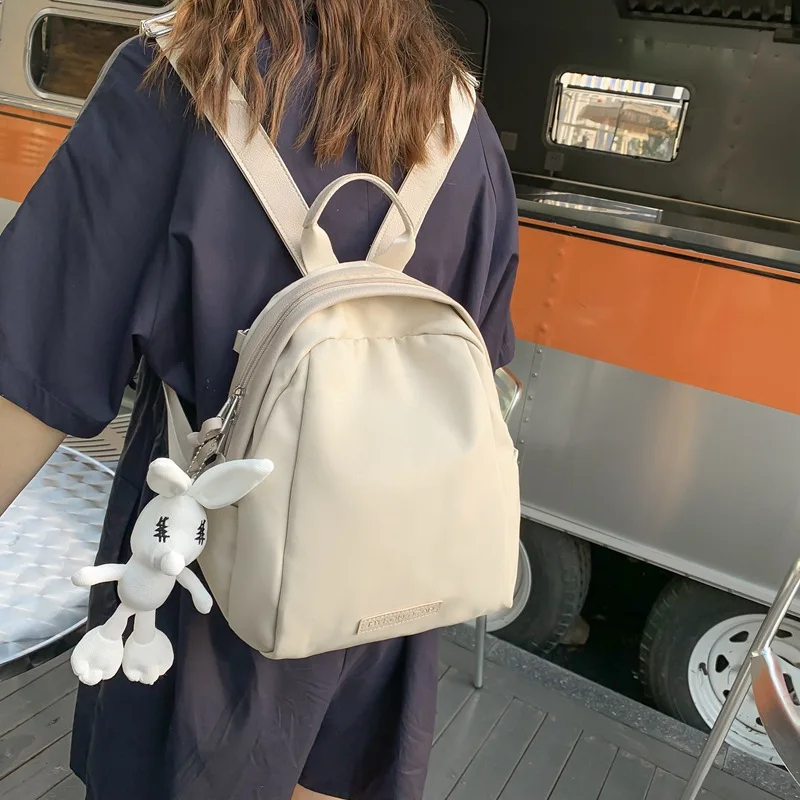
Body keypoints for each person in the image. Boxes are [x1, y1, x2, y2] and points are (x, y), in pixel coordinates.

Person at [0, 0, 519, 796]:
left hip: (204, 597)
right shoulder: (460, 119)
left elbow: (33, 374)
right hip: (387, 601)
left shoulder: (175, 82)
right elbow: (484, 364)